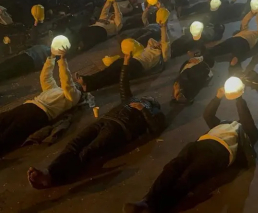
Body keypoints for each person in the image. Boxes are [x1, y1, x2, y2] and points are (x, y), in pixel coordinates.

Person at [27, 53, 166, 189]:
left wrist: (144, 109)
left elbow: (156, 128)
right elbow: (123, 84)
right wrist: (125, 64)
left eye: (151, 99)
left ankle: (56, 179)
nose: (148, 98)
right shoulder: (131, 100)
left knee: (88, 151)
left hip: (119, 129)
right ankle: (49, 171)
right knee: (74, 143)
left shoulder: (153, 111)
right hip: (104, 120)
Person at [123, 87, 258, 213]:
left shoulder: (248, 133)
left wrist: (239, 98)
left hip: (221, 151)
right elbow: (208, 115)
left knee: (189, 176)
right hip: (200, 143)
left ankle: (156, 207)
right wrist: (218, 97)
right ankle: (146, 200)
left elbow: (247, 120)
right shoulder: (223, 123)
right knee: (172, 167)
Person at [0, 47, 82, 155]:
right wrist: (51, 58)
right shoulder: (56, 90)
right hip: (27, 106)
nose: (77, 81)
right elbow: (45, 77)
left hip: (38, 114)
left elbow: (67, 82)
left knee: (8, 135)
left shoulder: (73, 96)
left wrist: (62, 61)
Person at [74, 9, 170, 92]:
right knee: (110, 69)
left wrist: (164, 27)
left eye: (161, 44)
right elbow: (152, 38)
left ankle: (89, 84)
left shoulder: (161, 55)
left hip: (137, 65)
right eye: (159, 42)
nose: (160, 43)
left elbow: (165, 42)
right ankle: (88, 80)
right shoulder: (149, 47)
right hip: (132, 60)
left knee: (113, 74)